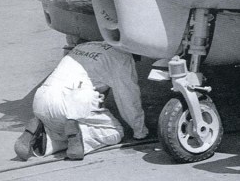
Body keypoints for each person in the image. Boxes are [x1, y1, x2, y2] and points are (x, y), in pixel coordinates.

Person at [15, 41, 148, 161]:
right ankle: (81, 137)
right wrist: (139, 131)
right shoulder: (122, 58)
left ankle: (39, 134)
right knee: (115, 132)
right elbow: (128, 100)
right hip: (73, 100)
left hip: (41, 99)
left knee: (61, 127)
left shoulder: (84, 46)